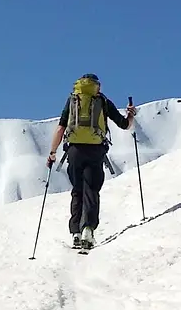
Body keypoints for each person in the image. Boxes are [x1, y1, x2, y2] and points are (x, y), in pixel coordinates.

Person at [47, 74, 136, 249]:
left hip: (74, 151)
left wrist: (52, 152)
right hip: (95, 150)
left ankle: (75, 233)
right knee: (92, 190)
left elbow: (61, 127)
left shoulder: (73, 100)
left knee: (77, 191)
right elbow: (124, 125)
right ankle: (88, 229)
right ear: (97, 86)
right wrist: (130, 115)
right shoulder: (102, 101)